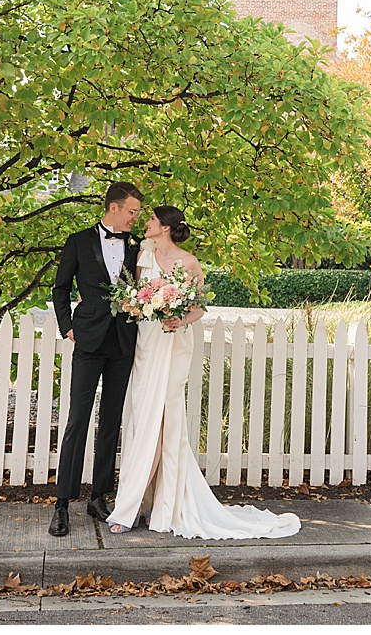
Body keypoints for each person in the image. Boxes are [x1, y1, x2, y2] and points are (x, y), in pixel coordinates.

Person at [104, 205, 300, 540]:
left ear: (165, 227)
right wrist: (140, 305)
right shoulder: (142, 256)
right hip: (147, 343)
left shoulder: (189, 262)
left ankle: (135, 505)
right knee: (141, 418)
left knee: (163, 420)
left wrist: (178, 317)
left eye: (151, 219)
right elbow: (134, 298)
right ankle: (146, 500)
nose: (146, 223)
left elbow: (197, 309)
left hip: (175, 343)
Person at [49, 181, 144, 537]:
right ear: (114, 208)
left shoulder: (136, 248)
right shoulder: (78, 241)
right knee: (77, 421)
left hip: (122, 343)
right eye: (132, 211)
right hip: (88, 340)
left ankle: (98, 496)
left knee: (111, 423)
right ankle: (62, 504)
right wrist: (67, 327)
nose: (136, 217)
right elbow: (60, 288)